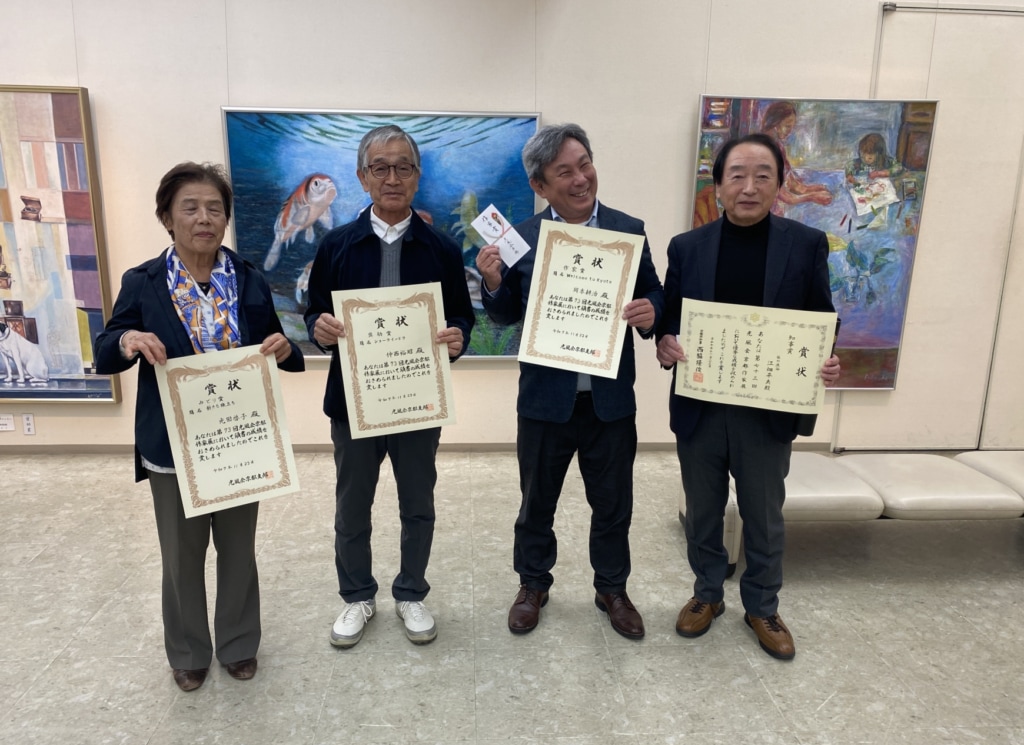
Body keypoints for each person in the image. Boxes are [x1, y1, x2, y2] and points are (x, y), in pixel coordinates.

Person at [94, 162, 305, 691]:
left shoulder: (249, 277)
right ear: (167, 217)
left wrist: (284, 348)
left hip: (239, 439)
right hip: (172, 444)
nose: (204, 218)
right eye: (190, 207)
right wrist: (128, 341)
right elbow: (106, 347)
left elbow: (279, 344)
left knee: (238, 551)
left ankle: (238, 643)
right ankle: (188, 651)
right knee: (181, 556)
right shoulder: (142, 281)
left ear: (226, 218)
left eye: (215, 208)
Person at [475, 123, 664, 639]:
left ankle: (612, 588)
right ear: (540, 185)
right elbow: (505, 315)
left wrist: (652, 311)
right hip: (545, 402)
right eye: (565, 172)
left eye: (585, 164)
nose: (581, 178)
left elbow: (655, 292)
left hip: (609, 403)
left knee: (614, 504)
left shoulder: (628, 229)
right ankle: (533, 584)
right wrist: (492, 282)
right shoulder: (521, 237)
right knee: (536, 503)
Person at [656, 134, 841, 661]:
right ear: (718, 186)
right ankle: (707, 594)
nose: (749, 186)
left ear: (780, 185)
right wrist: (665, 342)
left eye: (763, 175)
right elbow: (671, 317)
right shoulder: (686, 247)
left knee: (763, 515)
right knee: (703, 511)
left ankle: (762, 605)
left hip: (767, 411)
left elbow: (821, 316)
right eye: (737, 175)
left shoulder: (805, 244)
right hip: (701, 407)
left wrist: (827, 354)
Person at [304, 125, 474, 648]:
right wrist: (318, 327)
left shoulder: (441, 248)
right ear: (363, 177)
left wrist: (457, 337)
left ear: (417, 176)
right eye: (381, 168)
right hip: (353, 401)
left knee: (417, 502)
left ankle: (411, 592)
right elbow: (314, 311)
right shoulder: (336, 244)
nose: (392, 178)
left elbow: (461, 316)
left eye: (403, 167)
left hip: (418, 399)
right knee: (352, 505)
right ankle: (357, 595)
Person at [760, 101, 833, 210]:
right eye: (787, 126)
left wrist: (812, 189)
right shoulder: (763, 152)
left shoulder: (779, 147)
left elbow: (792, 184)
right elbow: (785, 196)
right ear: (775, 124)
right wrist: (812, 197)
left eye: (792, 127)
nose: (790, 131)